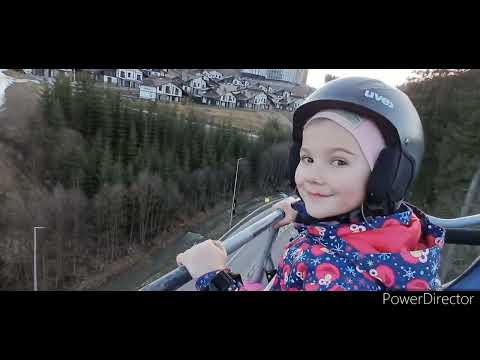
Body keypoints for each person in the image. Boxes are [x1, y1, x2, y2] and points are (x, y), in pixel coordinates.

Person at [176, 77, 445, 291]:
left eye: (339, 162)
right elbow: (351, 231)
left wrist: (214, 278)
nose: (313, 175)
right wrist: (304, 211)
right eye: (307, 158)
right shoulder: (396, 229)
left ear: (389, 177)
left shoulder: (342, 279)